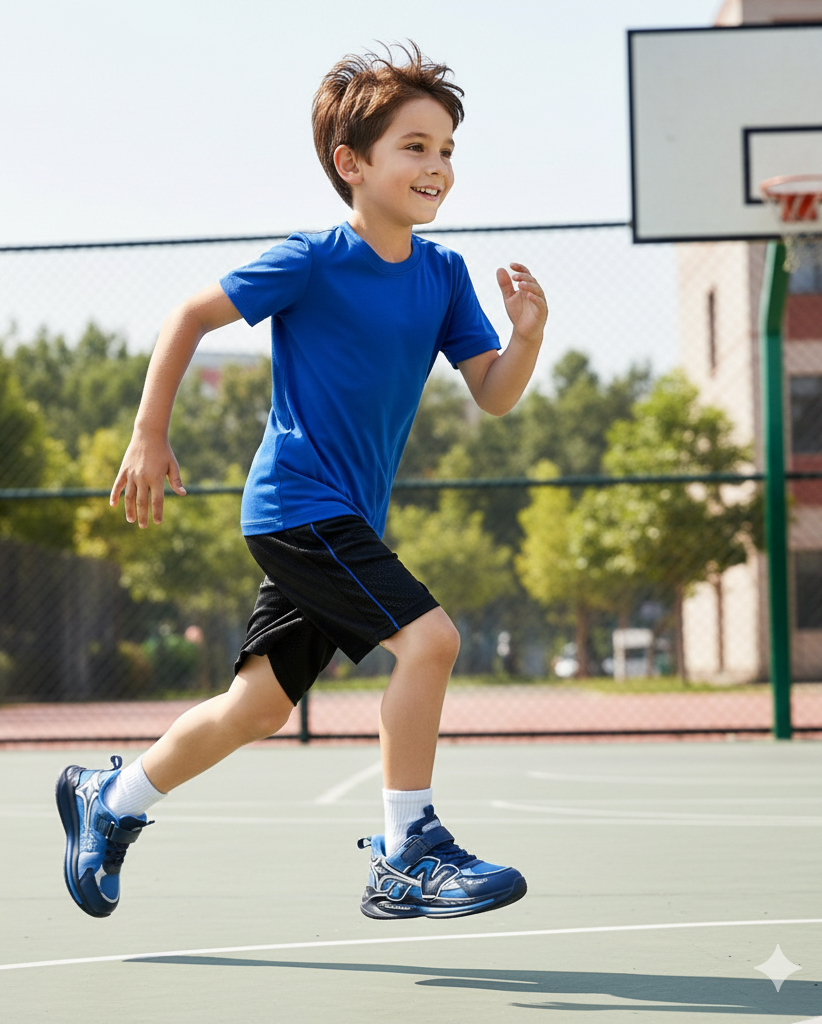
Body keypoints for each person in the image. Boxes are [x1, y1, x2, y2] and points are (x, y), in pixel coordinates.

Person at [56, 43, 548, 922]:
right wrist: (148, 432)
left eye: (446, 151)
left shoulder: (442, 276)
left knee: (255, 708)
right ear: (351, 164)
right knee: (431, 642)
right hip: (298, 505)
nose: (436, 166)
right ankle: (408, 850)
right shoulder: (313, 259)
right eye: (415, 147)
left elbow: (493, 394)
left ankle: (113, 797)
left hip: (338, 518)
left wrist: (528, 338)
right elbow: (190, 314)